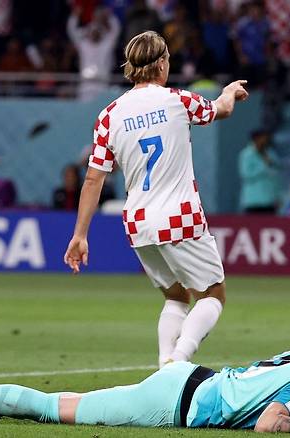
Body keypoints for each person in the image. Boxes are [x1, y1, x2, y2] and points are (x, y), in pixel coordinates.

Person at [63, 31, 249, 369]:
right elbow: (220, 110)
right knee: (213, 295)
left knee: (176, 296)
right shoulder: (178, 100)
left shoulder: (109, 115)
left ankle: (165, 363)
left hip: (138, 222)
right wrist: (228, 92)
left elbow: (93, 178)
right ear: (162, 63)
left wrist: (80, 235)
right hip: (180, 216)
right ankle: (178, 362)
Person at [0, 333, 290, 433]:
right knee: (53, 408)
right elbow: (271, 426)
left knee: (60, 402)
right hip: (174, 404)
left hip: (191, 375)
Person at [239, 129, 281, 214]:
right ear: (256, 139)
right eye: (263, 138)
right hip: (253, 201)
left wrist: (277, 197)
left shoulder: (270, 153)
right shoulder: (247, 155)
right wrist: (264, 166)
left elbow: (276, 173)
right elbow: (246, 174)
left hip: (270, 200)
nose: (265, 141)